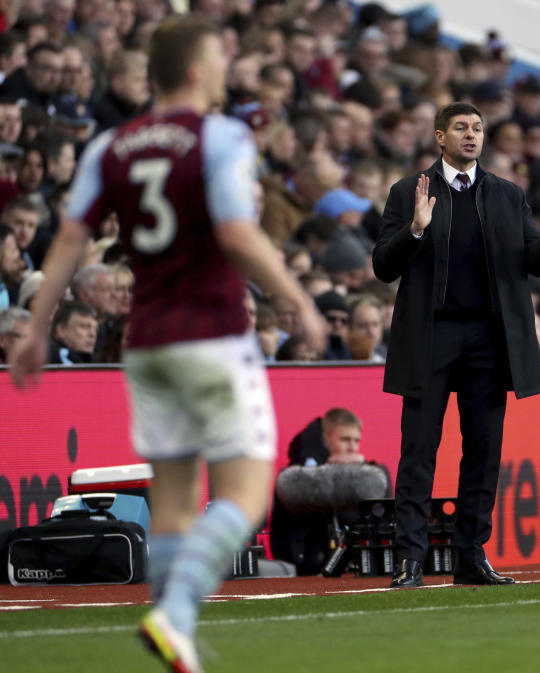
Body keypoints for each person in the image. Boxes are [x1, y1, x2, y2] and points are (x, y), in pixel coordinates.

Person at [8, 15, 324, 673]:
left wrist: (37, 326)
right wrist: (294, 297)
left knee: (174, 500)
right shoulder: (220, 136)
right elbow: (237, 233)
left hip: (147, 343)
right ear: (192, 70)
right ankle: (174, 614)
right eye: (217, 60)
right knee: (246, 494)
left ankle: (172, 634)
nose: (222, 72)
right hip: (210, 332)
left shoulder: (111, 146)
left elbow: (69, 238)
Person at [373, 101, 540, 588]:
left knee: (483, 449)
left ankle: (471, 555)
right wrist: (415, 229)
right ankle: (410, 559)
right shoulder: (408, 191)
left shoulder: (506, 195)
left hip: (487, 339)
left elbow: (537, 264)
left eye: (477, 128)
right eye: (460, 127)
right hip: (430, 335)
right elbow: (382, 266)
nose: (471, 135)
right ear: (440, 137)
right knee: (419, 450)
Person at [269, 407, 391, 575]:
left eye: (356, 441)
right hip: (302, 567)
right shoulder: (297, 474)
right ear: (325, 439)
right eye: (345, 440)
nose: (352, 448)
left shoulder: (365, 469)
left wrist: (362, 465)